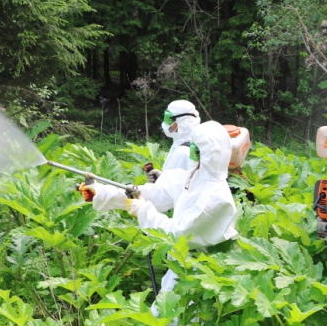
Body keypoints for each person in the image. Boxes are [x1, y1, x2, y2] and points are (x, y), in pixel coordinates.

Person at [80, 120, 238, 297]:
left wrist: (141, 210)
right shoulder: (192, 177)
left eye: (196, 148)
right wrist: (100, 192)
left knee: (176, 322)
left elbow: (178, 234)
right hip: (178, 270)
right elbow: (153, 194)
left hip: (198, 280)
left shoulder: (216, 198)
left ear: (209, 154)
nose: (191, 152)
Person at [145, 99, 201, 182]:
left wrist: (158, 183)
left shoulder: (183, 151)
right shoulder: (193, 143)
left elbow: (170, 190)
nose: (165, 123)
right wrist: (161, 177)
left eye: (168, 118)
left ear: (182, 122)